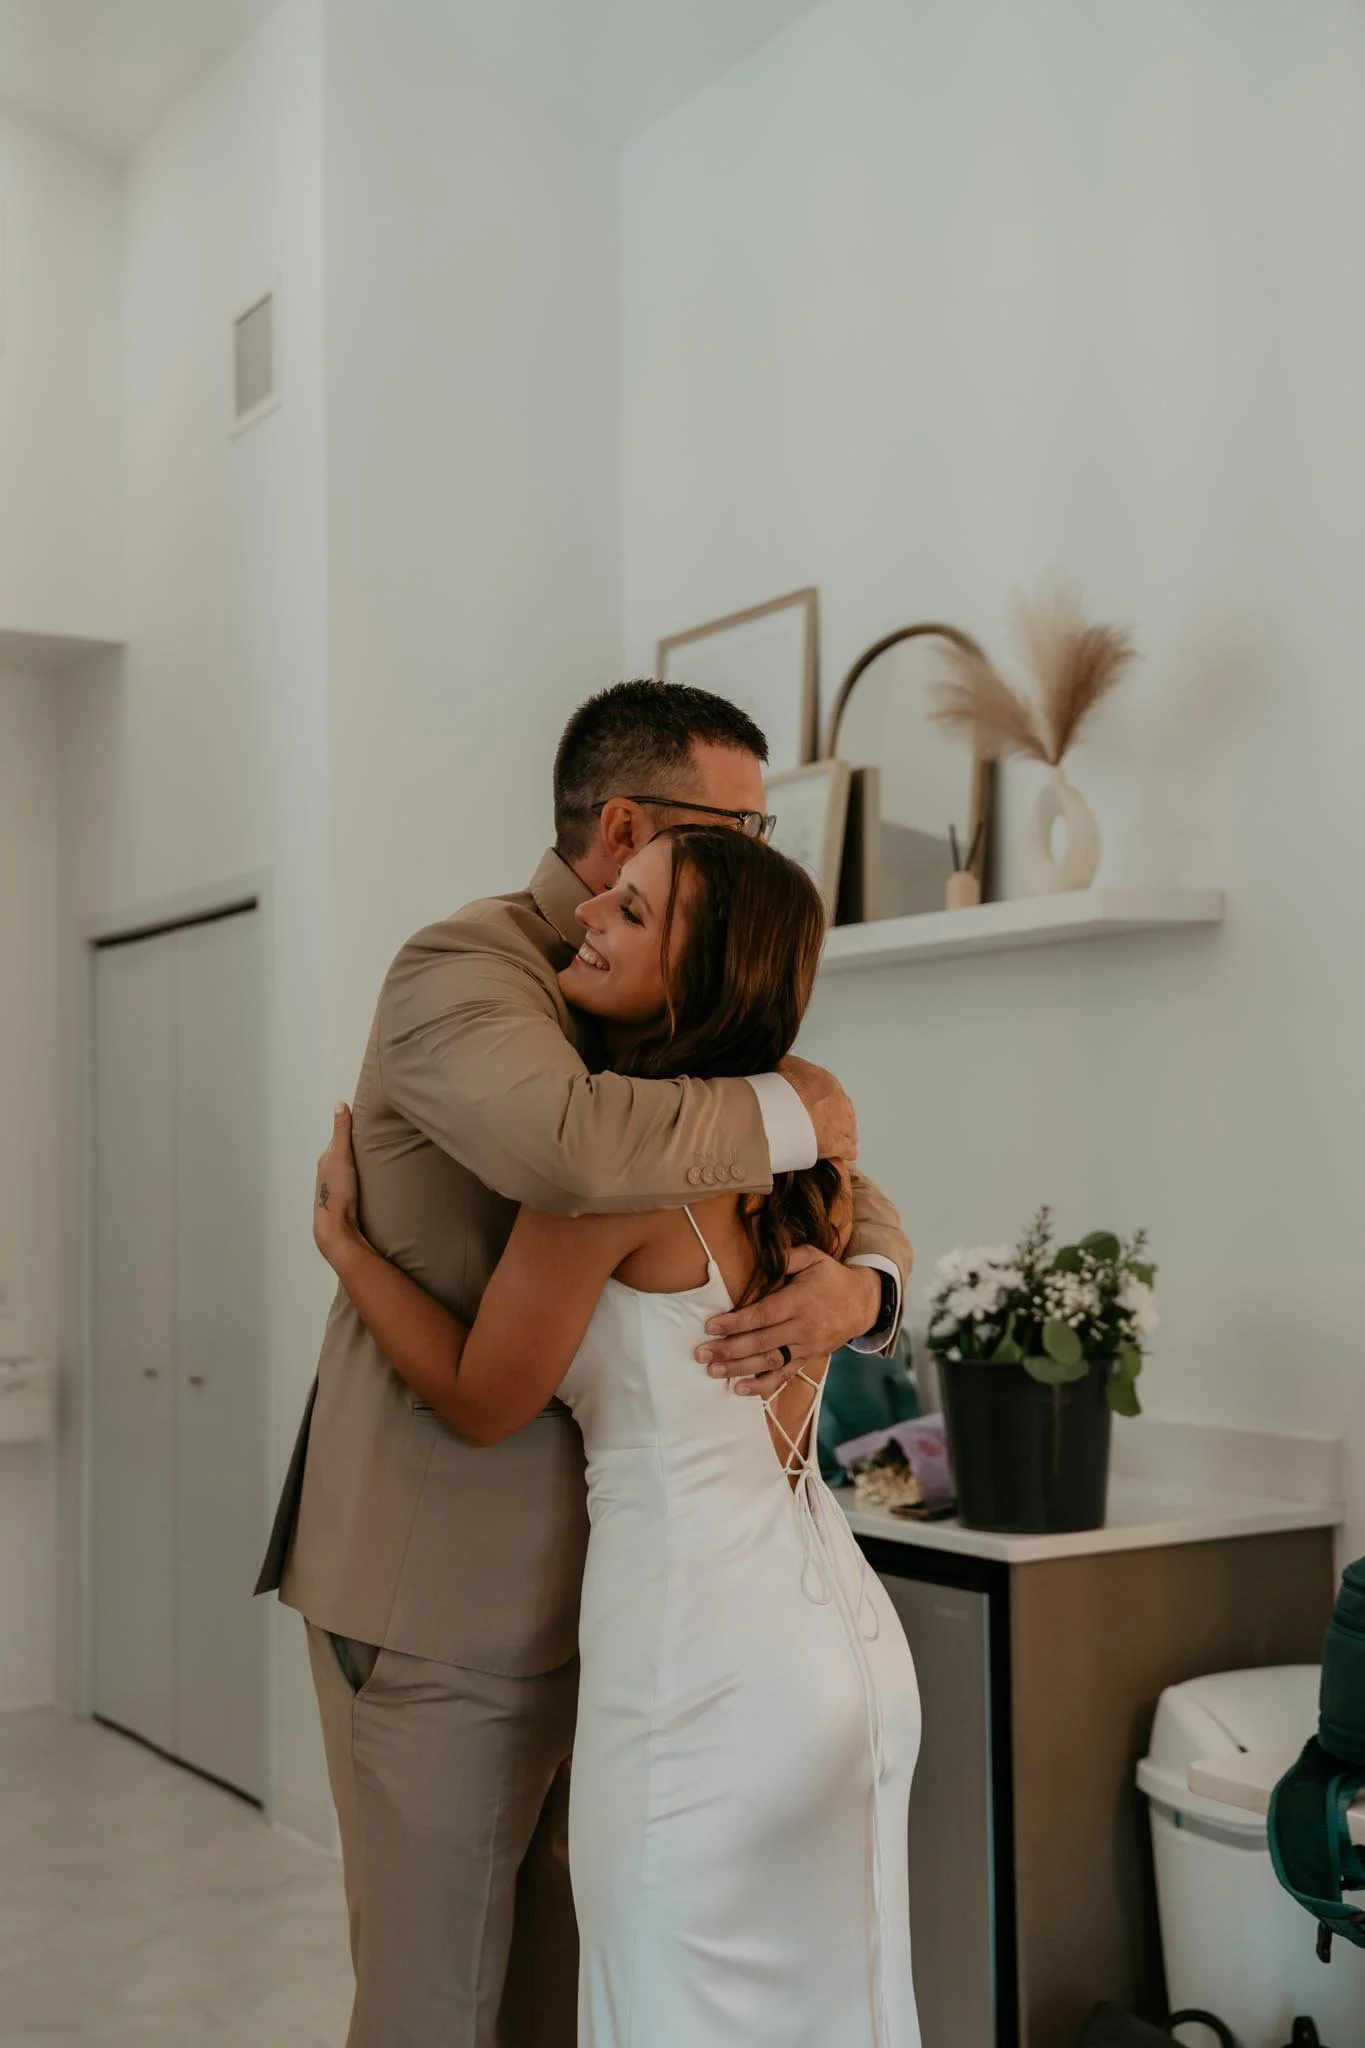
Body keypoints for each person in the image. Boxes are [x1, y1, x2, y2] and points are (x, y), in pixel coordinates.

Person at [256, 679, 912, 2048]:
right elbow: (574, 1147)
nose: (763, 852)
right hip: (452, 1601)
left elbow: (844, 1185)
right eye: (744, 822)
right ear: (625, 826)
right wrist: (810, 1106)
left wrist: (863, 1283)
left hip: (658, 1624)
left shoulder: (706, 1042)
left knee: (595, 2002)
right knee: (446, 2005)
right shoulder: (466, 971)